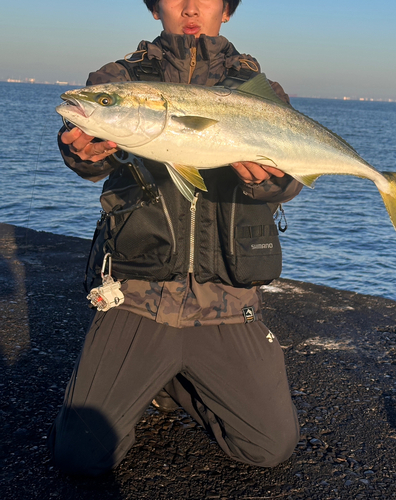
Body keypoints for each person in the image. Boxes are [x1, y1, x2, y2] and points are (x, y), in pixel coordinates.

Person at [48, 0, 302, 476]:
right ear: (153, 8)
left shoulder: (258, 91)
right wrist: (86, 151)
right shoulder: (119, 79)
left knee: (269, 447)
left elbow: (288, 181)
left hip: (226, 298)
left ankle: (174, 381)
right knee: (79, 456)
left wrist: (271, 181)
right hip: (138, 294)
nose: (189, 6)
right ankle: (158, 376)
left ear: (226, 10)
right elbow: (87, 153)